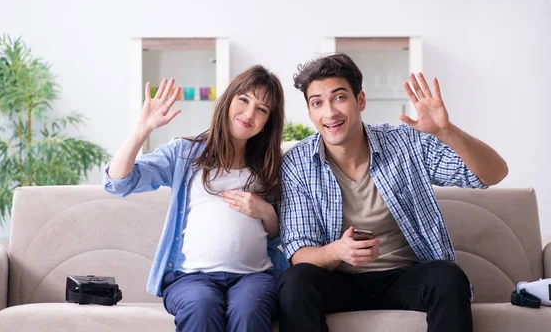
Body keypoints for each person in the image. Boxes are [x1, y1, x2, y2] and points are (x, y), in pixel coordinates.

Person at [277, 53, 508, 332]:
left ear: (360, 100)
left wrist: (446, 131)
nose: (330, 112)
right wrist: (339, 250)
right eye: (317, 103)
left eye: (339, 97)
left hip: (403, 278)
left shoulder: (405, 143)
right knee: (295, 282)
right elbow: (299, 253)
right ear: (310, 112)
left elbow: (494, 173)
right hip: (337, 282)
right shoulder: (297, 163)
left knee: (447, 277)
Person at [103, 65, 287, 332]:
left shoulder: (270, 165)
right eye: (244, 100)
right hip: (190, 278)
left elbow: (279, 235)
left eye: (262, 109)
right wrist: (141, 130)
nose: (249, 114)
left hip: (254, 278)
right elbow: (118, 183)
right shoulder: (185, 154)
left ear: (268, 121)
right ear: (228, 100)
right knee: (201, 307)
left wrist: (265, 212)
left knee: (249, 310)